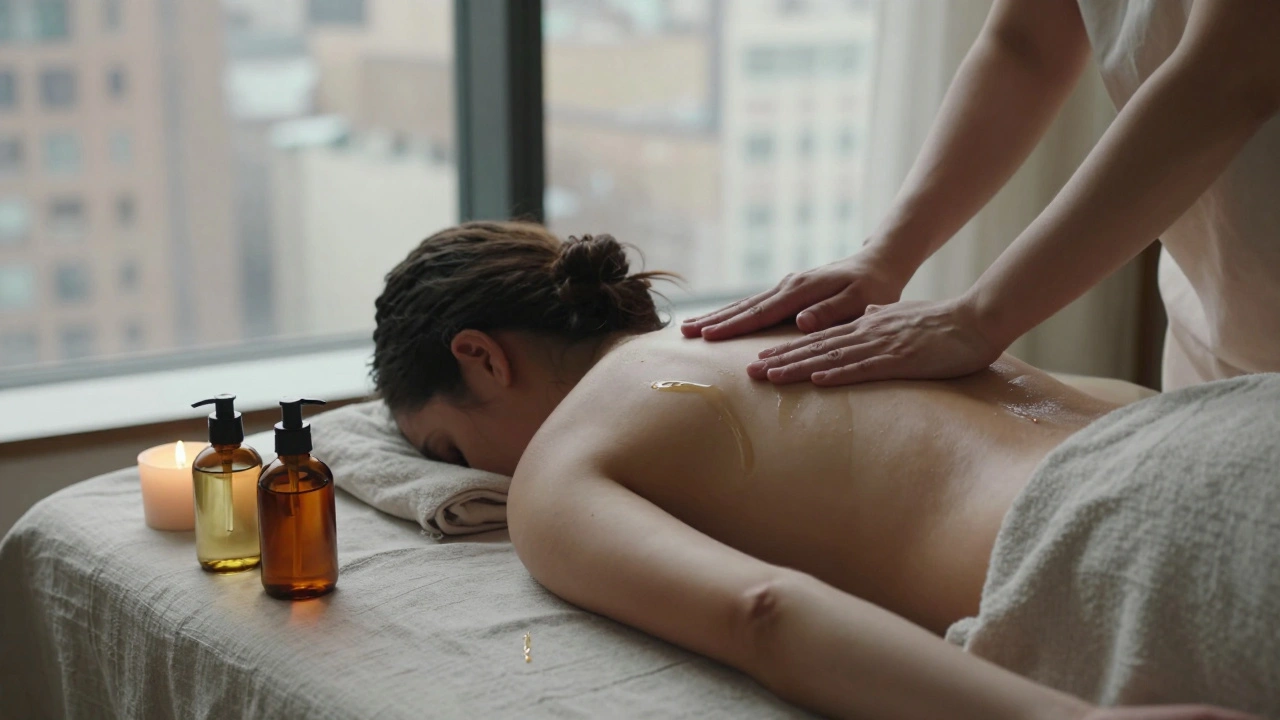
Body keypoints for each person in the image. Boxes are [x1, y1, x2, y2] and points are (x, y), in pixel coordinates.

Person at [370, 222, 1260, 720]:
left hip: (1131, 541)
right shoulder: (791, 313)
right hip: (1231, 423)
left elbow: (764, 613)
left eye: (450, 451)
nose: (470, 477)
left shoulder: (560, 468)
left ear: (482, 357)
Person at [681, 0, 1280, 391]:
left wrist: (982, 316)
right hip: (1212, 315)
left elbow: (1225, 76)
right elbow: (1026, 45)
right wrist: (886, 254)